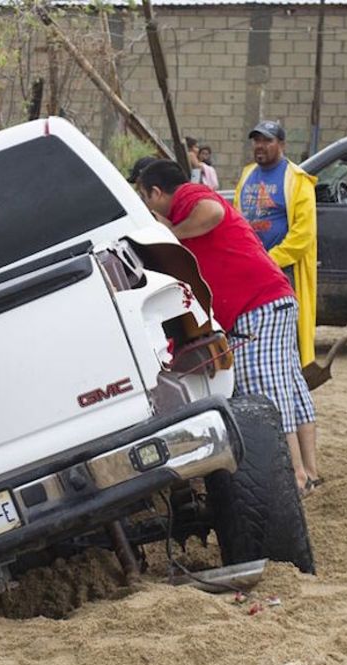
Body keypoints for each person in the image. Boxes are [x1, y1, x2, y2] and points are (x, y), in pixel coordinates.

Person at [136, 159, 317, 494]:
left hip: (257, 305)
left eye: (145, 198)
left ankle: (295, 477)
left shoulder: (190, 196)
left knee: (266, 392)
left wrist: (171, 233)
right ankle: (309, 470)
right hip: (271, 299)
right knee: (290, 387)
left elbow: (212, 212)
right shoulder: (186, 205)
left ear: (157, 192)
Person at [234, 120, 321, 486]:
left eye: (266, 141)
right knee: (289, 378)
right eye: (256, 140)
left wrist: (268, 260)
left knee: (279, 379)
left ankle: (301, 472)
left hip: (281, 285)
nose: (260, 146)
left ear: (281, 144)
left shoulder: (297, 180)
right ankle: (310, 471)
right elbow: (238, 222)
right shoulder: (247, 176)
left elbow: (302, 235)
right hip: (254, 280)